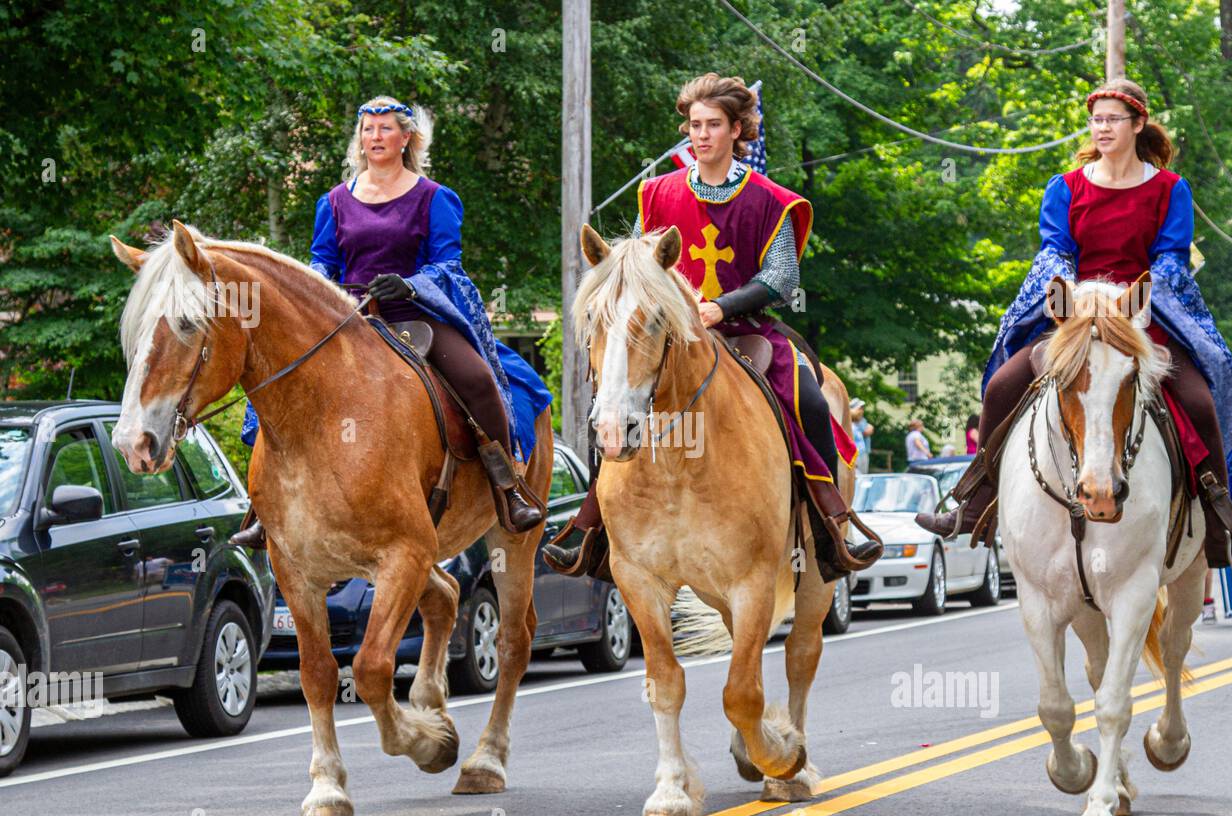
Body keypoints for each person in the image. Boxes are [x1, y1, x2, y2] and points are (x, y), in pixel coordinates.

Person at [915, 78, 1232, 573]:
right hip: (1077, 321)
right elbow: (1055, 251)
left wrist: (1127, 302)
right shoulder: (1065, 187)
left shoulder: (1171, 188)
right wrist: (1077, 295)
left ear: (1138, 123)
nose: (1102, 128)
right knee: (1001, 384)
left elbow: (1170, 259)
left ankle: (1222, 529)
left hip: (1143, 321)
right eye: (1096, 120)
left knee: (1201, 401)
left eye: (1112, 119)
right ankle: (973, 502)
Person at [543, 73, 882, 578]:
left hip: (745, 330)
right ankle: (592, 526)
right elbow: (636, 262)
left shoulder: (770, 198)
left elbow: (783, 278)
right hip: (666, 333)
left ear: (738, 129)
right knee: (611, 401)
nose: (701, 135)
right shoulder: (657, 192)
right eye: (694, 125)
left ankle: (831, 524)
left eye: (713, 125)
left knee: (809, 400)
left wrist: (721, 307)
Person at [232, 96, 548, 548]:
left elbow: (449, 265)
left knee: (476, 378)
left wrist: (410, 285)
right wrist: (321, 290)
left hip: (415, 315)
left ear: (406, 139)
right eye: (368, 129)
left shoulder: (435, 197)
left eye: (385, 129)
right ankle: (265, 505)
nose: (375, 137)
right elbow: (322, 262)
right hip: (347, 321)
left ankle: (507, 485)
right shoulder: (335, 201)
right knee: (281, 387)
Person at [850, 398, 874, 474]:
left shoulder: (862, 420)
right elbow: (866, 432)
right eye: (859, 408)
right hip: (854, 455)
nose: (862, 411)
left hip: (864, 452)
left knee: (864, 477)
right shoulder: (848, 423)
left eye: (862, 409)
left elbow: (868, 430)